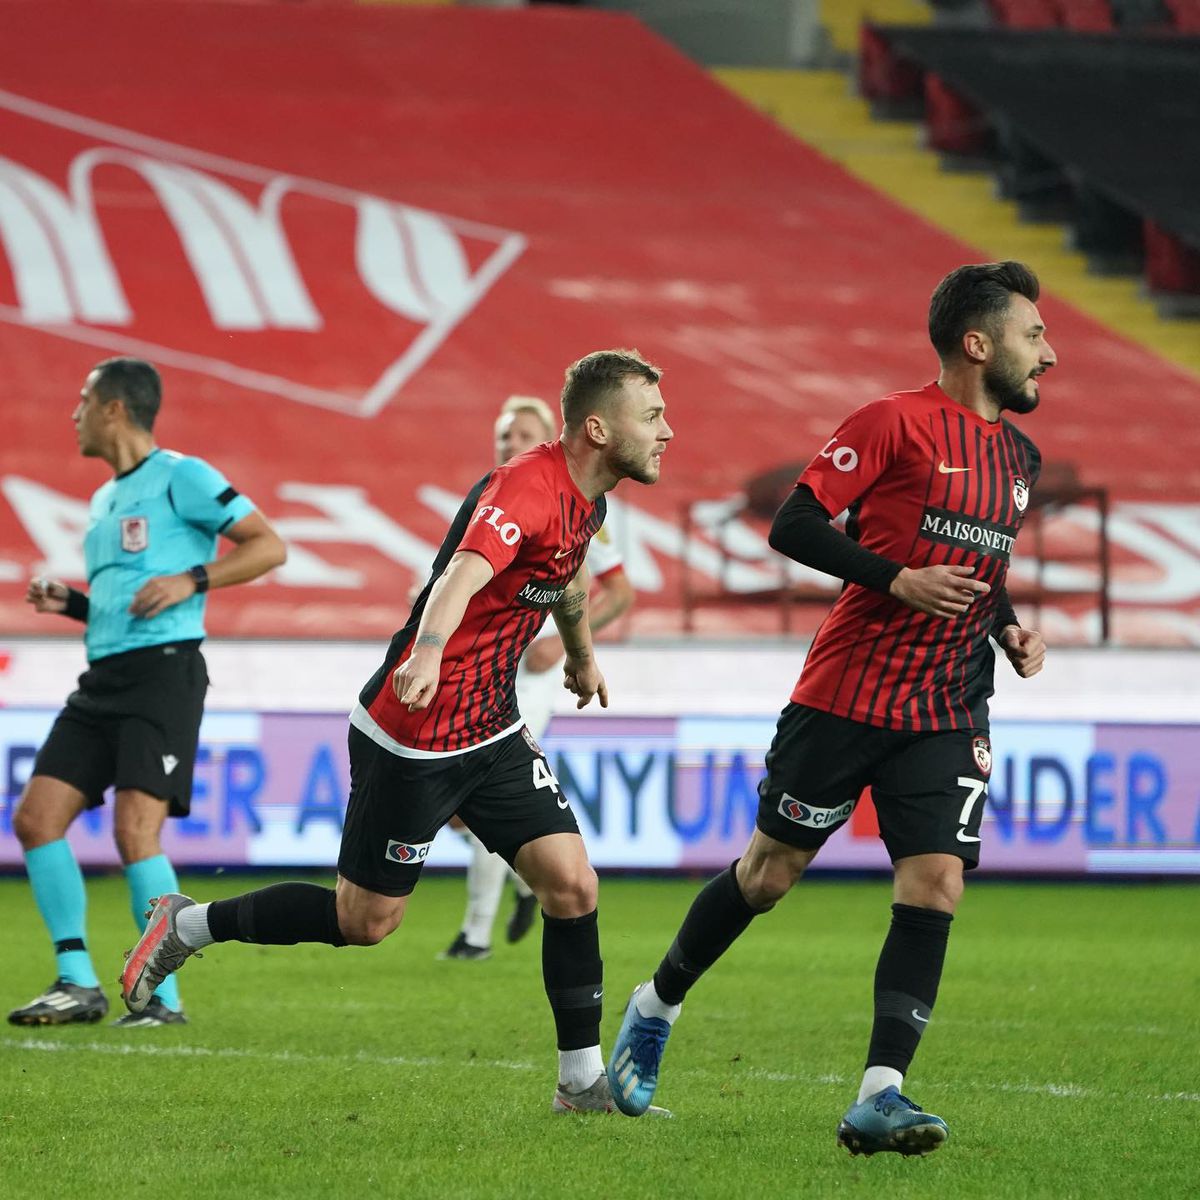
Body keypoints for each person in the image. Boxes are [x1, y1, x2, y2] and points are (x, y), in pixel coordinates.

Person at [121, 349, 673, 1115]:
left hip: (493, 729)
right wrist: (428, 650)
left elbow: (568, 583)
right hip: (413, 735)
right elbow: (462, 575)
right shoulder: (528, 486)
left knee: (573, 885)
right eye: (651, 417)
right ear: (597, 427)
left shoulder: (591, 501)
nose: (666, 432)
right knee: (365, 921)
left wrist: (579, 659)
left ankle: (580, 1083)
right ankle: (189, 923)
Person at [606, 261, 1053, 1155]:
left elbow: (983, 567)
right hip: (849, 693)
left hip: (950, 701)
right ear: (978, 343)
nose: (1050, 353)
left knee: (936, 881)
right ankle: (655, 1004)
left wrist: (1007, 627)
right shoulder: (892, 422)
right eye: (1033, 336)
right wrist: (895, 578)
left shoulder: (1021, 458)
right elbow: (795, 522)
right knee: (768, 875)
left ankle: (881, 1093)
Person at [9, 358, 287, 1029]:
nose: (73, 413)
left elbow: (268, 546)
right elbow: (126, 600)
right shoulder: (105, 499)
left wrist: (194, 578)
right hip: (103, 678)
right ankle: (77, 981)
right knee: (36, 819)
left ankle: (162, 996)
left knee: (137, 831)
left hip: (163, 674)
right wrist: (73, 603)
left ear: (114, 408)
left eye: (82, 399)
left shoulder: (182, 476)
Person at [440, 395, 635, 961]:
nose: (509, 442)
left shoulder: (582, 508)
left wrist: (567, 641)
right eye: (503, 434)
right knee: (456, 808)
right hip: (476, 662)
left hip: (528, 671)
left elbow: (620, 592)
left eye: (523, 431)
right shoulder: (494, 495)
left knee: (476, 786)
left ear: (554, 437)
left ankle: (474, 935)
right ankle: (527, 882)